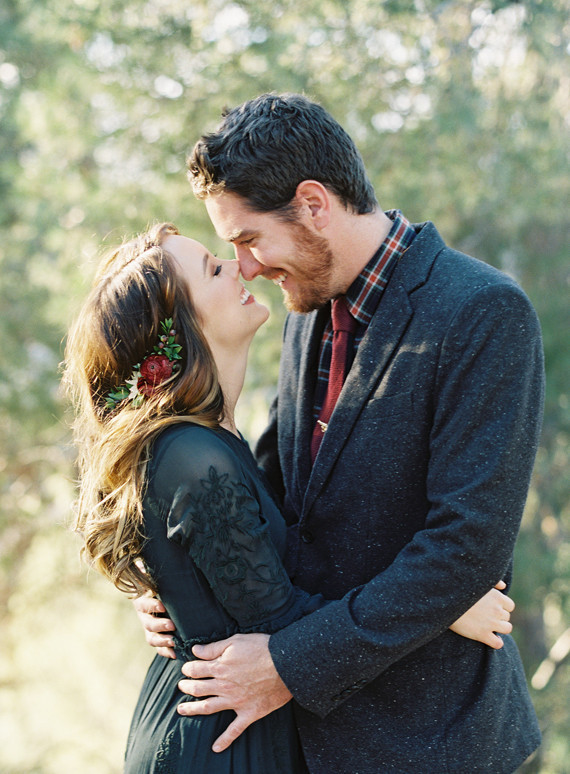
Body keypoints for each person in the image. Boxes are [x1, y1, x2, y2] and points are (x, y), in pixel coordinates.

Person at [137, 93, 544, 773]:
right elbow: (276, 503)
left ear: (314, 204)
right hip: (305, 742)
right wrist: (180, 587)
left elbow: (464, 550)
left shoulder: (482, 313)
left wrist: (287, 664)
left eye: (249, 239)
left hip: (429, 742)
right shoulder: (305, 312)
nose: (247, 266)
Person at [65, 222, 516, 774]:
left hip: (246, 720)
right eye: (212, 268)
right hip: (219, 740)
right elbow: (278, 618)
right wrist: (442, 613)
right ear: (181, 328)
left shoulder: (212, 440)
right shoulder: (192, 455)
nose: (237, 266)